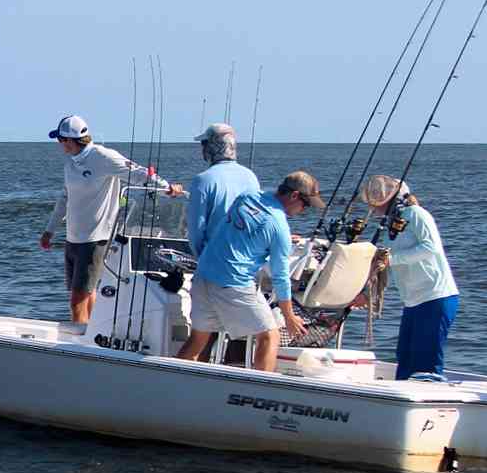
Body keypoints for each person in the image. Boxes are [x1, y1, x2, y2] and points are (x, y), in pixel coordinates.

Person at [39, 115, 182, 330]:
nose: (59, 144)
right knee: (87, 293)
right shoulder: (71, 163)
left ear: (70, 140)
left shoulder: (103, 156)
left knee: (77, 300)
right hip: (73, 238)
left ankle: (79, 350)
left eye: (60, 140)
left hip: (95, 239)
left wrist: (166, 187)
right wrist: (49, 231)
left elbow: (138, 172)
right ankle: (94, 334)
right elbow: (65, 197)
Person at [176, 172, 323, 372]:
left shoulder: (247, 197)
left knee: (197, 340)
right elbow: (280, 278)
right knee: (270, 336)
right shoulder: (279, 227)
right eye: (306, 205)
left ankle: (172, 386)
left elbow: (238, 230)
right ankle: (259, 391)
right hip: (233, 283)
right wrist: (289, 317)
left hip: (203, 276)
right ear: (295, 196)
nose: (304, 211)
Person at [355, 175, 459, 380]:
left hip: (435, 297)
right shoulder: (394, 225)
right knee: (405, 356)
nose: (373, 205)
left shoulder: (417, 214)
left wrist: (392, 259)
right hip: (413, 301)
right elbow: (388, 263)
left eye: (378, 199)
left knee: (425, 361)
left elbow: (431, 248)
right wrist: (367, 293)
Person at [187, 123, 261, 258]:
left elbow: (195, 233)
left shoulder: (203, 180)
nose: (202, 148)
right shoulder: (251, 177)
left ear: (212, 147)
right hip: (244, 263)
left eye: (204, 143)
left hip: (214, 262)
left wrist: (203, 261)